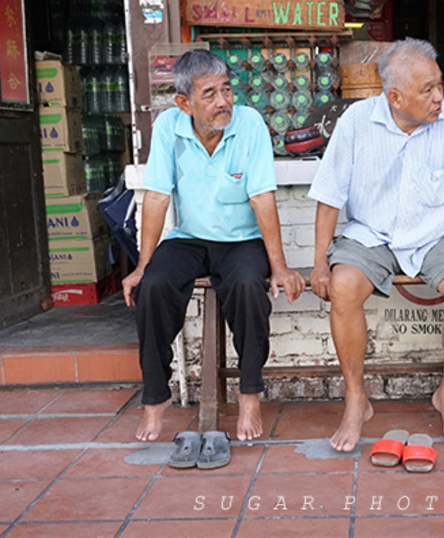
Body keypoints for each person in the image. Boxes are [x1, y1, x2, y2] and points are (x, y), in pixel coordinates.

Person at [308, 39, 444, 451]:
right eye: (427, 90)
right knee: (342, 286)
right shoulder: (357, 122)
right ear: (394, 97)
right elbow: (329, 196)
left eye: (439, 85)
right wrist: (320, 261)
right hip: (370, 233)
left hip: (435, 234)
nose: (439, 97)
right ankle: (357, 397)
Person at [122, 49, 306, 443]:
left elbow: (261, 198)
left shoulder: (250, 124)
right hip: (189, 239)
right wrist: (142, 265)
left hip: (242, 241)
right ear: (184, 102)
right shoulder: (169, 127)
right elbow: (156, 197)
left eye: (226, 89)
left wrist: (280, 266)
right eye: (210, 94)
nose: (223, 102)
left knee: (246, 289)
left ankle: (250, 396)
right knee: (151, 287)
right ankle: (155, 400)